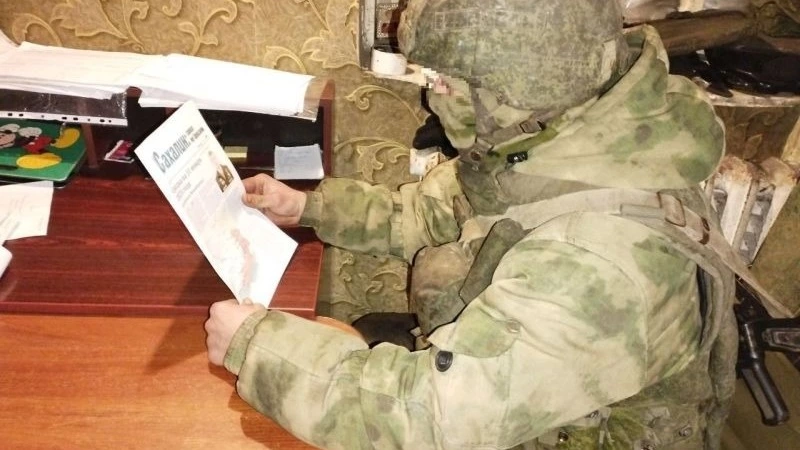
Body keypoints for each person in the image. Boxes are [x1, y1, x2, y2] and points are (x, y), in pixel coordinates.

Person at [204, 1, 745, 448]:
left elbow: (430, 419)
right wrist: (308, 209)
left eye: (443, 80)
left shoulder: (595, 267)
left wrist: (255, 345)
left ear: (515, 87)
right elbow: (430, 214)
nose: (431, 94)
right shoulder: (556, 140)